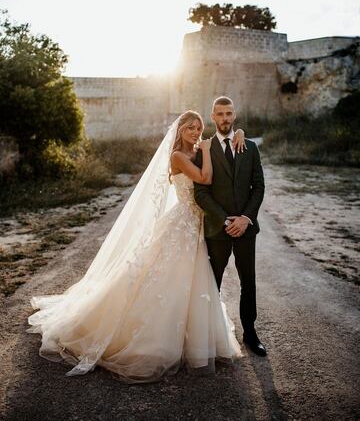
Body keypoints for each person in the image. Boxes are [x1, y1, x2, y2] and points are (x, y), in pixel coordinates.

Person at [27, 110, 246, 383]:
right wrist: (205, 148)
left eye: (198, 128)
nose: (195, 132)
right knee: (164, 277)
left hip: (197, 224)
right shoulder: (179, 156)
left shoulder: (199, 151)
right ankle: (150, 341)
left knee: (194, 282)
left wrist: (238, 133)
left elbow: (222, 146)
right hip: (182, 223)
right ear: (179, 131)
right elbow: (204, 179)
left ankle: (195, 342)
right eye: (190, 128)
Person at [194, 97, 266, 356]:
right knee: (213, 281)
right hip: (218, 229)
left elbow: (258, 186)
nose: (225, 118)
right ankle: (210, 333)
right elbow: (201, 193)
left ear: (234, 116)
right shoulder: (203, 149)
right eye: (220, 114)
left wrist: (246, 218)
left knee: (249, 281)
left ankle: (250, 332)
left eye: (229, 113)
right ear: (213, 116)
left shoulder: (250, 147)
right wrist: (225, 219)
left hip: (246, 228)